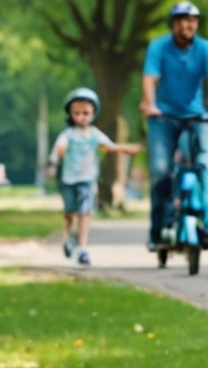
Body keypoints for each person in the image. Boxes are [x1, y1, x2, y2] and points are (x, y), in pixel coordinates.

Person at [142, 1, 208, 250]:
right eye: (180, 20)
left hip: (196, 116)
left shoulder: (205, 49)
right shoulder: (158, 47)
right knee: (161, 169)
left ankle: (206, 225)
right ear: (173, 24)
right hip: (164, 116)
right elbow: (150, 79)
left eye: (191, 20)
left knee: (204, 165)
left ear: (197, 24)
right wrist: (150, 104)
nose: (186, 25)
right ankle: (158, 229)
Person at [49, 88, 141, 267]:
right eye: (77, 113)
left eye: (86, 113)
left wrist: (125, 149)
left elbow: (108, 147)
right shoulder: (67, 134)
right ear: (70, 114)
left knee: (85, 212)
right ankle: (68, 238)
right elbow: (58, 149)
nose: (81, 117)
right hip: (69, 180)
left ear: (93, 113)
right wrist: (55, 158)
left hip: (87, 179)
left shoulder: (94, 134)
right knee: (69, 213)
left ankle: (82, 248)